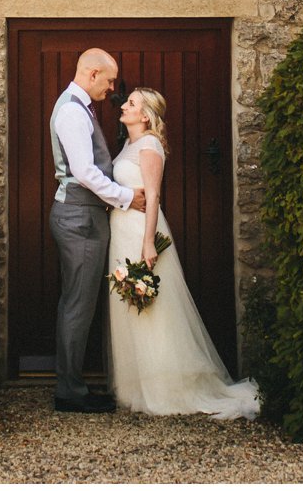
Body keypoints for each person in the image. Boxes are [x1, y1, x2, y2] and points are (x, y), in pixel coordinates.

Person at [106, 86, 261, 419]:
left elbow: (153, 197)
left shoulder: (149, 146)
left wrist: (148, 242)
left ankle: (164, 389)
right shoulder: (128, 144)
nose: (125, 106)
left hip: (140, 232)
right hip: (121, 231)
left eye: (131, 103)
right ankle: (137, 388)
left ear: (145, 115)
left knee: (151, 308)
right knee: (130, 305)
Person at [48, 47, 145, 414]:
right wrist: (125, 197)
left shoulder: (76, 106)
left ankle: (71, 385)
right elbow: (85, 173)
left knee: (76, 302)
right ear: (91, 75)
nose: (111, 88)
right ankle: (70, 392)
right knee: (78, 304)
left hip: (80, 217)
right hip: (79, 218)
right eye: (107, 80)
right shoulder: (72, 111)